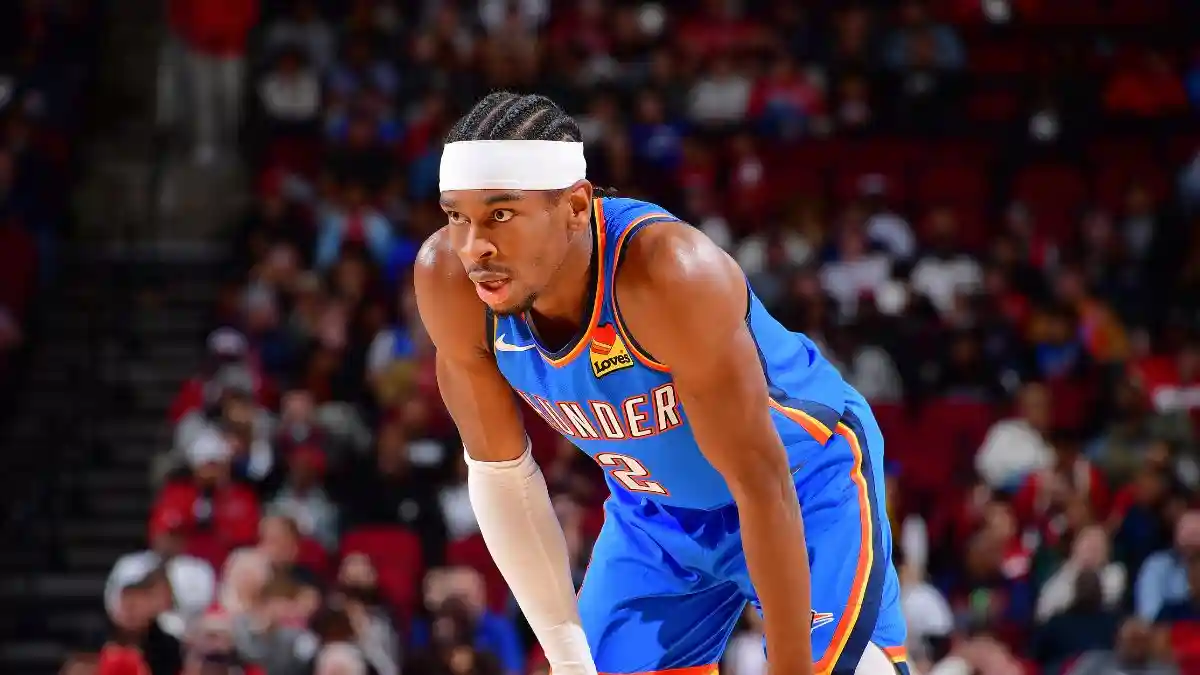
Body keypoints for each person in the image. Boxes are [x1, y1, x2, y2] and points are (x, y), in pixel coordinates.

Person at [414, 91, 907, 675]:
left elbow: (761, 483)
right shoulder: (450, 282)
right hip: (655, 517)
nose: (475, 247)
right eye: (457, 216)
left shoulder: (668, 274)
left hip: (801, 483)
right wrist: (570, 660)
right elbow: (503, 477)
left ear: (575, 206)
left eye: (500, 214)